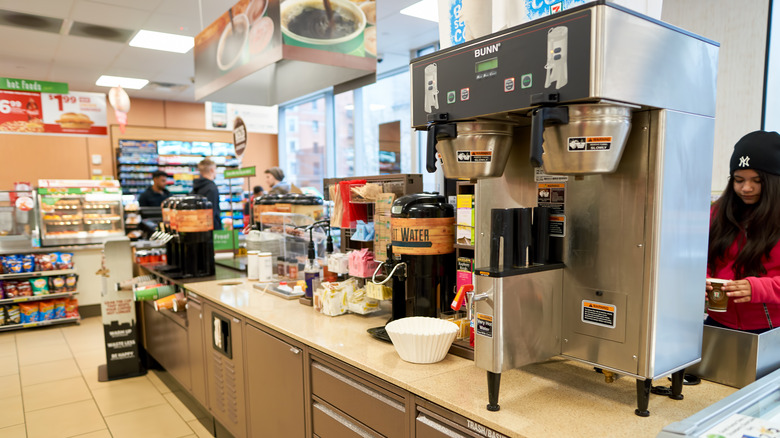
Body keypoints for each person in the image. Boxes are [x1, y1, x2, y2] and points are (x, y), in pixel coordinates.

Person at [706, 130, 780, 333]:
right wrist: (700, 282)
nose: (746, 188)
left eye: (757, 181)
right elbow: (699, 257)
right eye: (739, 180)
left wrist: (758, 288)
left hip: (770, 327)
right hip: (718, 321)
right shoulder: (718, 212)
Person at [191, 158, 223, 230]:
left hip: (198, 228)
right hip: (211, 230)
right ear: (212, 170)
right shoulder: (212, 188)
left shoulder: (196, 186)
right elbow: (212, 213)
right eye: (215, 169)